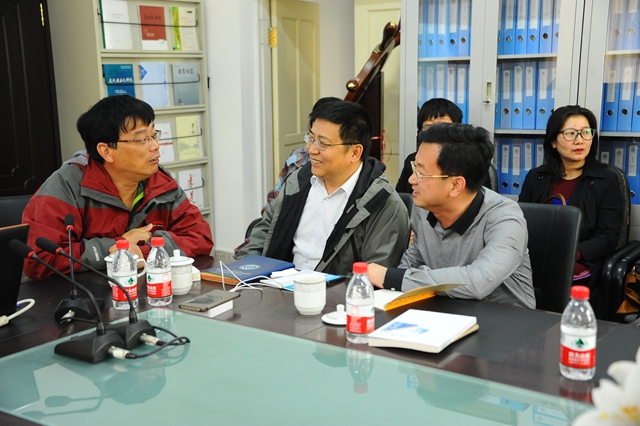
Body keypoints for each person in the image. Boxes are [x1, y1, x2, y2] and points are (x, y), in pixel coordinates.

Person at [22, 95, 214, 279]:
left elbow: (200, 237)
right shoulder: (66, 186)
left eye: (154, 135)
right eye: (143, 139)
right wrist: (118, 246)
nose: (155, 146)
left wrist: (144, 252)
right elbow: (39, 259)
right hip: (77, 294)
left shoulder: (160, 183)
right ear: (106, 151)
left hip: (140, 289)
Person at [368, 123, 535, 309]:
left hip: (506, 319)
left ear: (455, 185)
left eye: (420, 173)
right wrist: (391, 291)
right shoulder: (424, 206)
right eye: (414, 168)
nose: (411, 180)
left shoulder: (505, 219)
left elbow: (478, 280)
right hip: (446, 311)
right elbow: (416, 254)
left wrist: (393, 278)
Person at [237, 100, 410, 276]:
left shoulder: (383, 203)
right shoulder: (298, 181)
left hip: (336, 292)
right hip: (278, 286)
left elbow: (372, 275)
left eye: (323, 144)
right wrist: (243, 272)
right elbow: (264, 233)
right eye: (311, 139)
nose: (311, 150)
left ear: (355, 152)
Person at [519, 105, 624, 294]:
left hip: (581, 259)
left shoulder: (607, 181)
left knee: (556, 280)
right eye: (570, 133)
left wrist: (572, 253)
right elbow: (521, 223)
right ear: (553, 141)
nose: (580, 140)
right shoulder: (536, 177)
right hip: (536, 255)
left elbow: (607, 237)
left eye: (586, 133)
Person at [262, 97, 342, 213]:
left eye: (324, 142)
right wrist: (269, 216)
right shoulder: (296, 157)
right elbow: (277, 194)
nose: (313, 151)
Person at [396, 98, 463, 194]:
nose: (435, 132)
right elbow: (401, 197)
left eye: (442, 125)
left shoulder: (469, 162)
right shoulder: (413, 160)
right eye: (428, 126)